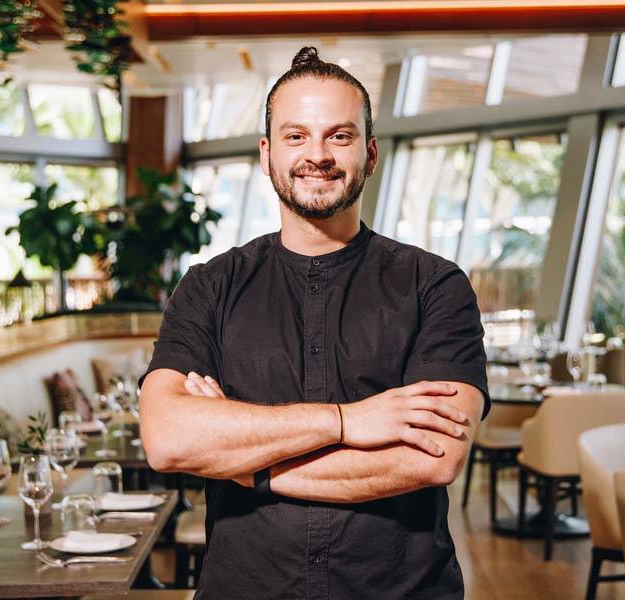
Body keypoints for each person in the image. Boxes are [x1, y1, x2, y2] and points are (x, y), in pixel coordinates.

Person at [140, 46, 489, 599]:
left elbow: (434, 458)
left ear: (370, 154)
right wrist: (347, 422)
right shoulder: (209, 286)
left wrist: (244, 463)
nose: (317, 155)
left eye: (340, 136)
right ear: (267, 153)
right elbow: (167, 439)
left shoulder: (436, 286)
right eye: (296, 136)